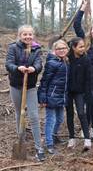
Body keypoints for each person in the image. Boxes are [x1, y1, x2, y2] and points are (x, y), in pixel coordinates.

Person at [5, 25, 45, 161]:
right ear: (20, 35)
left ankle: (39, 147)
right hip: (16, 86)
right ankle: (20, 139)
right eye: (25, 34)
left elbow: (39, 64)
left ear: (32, 36)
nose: (28, 37)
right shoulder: (13, 48)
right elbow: (8, 64)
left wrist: (35, 68)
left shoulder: (37, 49)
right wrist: (17, 68)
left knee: (33, 116)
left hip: (30, 87)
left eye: (30, 34)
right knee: (19, 113)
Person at [73, 1, 93, 143]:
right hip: (82, 79)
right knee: (88, 104)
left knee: (92, 104)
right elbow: (76, 25)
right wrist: (81, 10)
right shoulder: (84, 41)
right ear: (90, 31)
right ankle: (87, 129)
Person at [38, 40, 69, 154]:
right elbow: (44, 81)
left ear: (67, 49)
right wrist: (42, 98)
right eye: (59, 49)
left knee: (60, 119)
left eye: (64, 48)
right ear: (54, 50)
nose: (61, 50)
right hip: (51, 96)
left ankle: (54, 135)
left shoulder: (65, 61)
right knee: (51, 120)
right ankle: (49, 144)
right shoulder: (52, 63)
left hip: (61, 96)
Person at [66, 37, 93, 150]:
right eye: (80, 47)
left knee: (81, 113)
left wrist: (87, 94)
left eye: (84, 46)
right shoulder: (67, 59)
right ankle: (71, 138)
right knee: (69, 114)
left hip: (80, 92)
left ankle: (87, 139)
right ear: (73, 47)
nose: (83, 49)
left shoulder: (86, 60)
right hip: (68, 91)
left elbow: (89, 79)